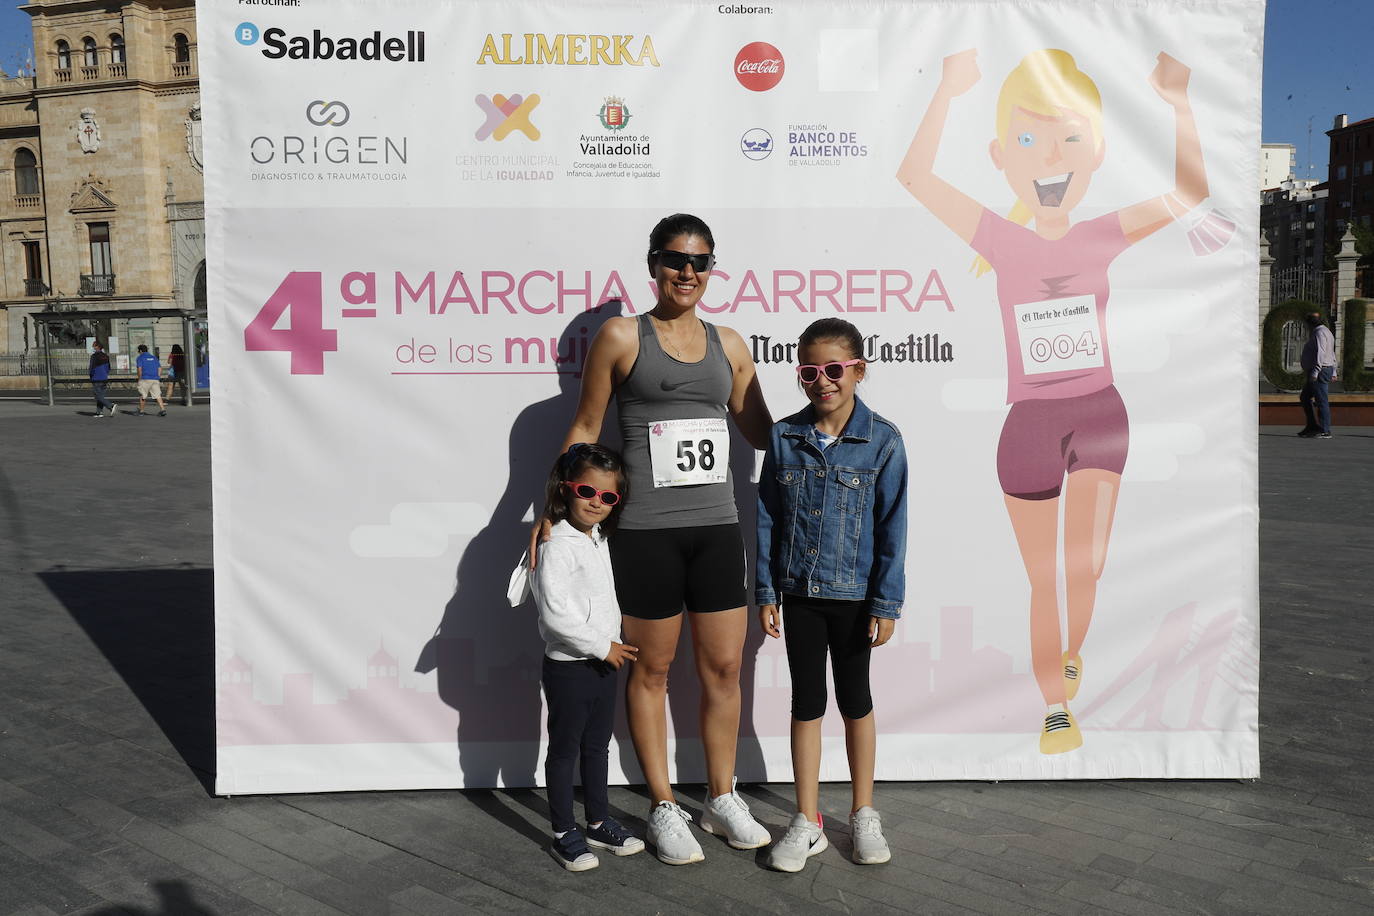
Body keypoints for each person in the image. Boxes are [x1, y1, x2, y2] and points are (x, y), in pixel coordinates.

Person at [896, 48, 1210, 753]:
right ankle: (1055, 705)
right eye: (1030, 141)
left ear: (1095, 151)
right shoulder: (1000, 239)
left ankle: (1070, 650)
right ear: (1001, 155)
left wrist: (1179, 102)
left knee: (1086, 567)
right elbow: (914, 176)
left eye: (1069, 138)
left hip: (1099, 415)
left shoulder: (1104, 234)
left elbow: (1189, 194)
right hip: (1030, 426)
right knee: (1044, 579)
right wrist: (946, 88)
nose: (1050, 159)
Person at [533, 213, 774, 865]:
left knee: (725, 669)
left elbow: (764, 432)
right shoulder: (620, 336)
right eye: (674, 259)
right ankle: (666, 804)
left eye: (700, 262)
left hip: (718, 530)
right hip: (644, 535)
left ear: (711, 270)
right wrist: (552, 511)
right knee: (654, 670)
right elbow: (585, 424)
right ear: (653, 264)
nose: (687, 273)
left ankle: (721, 797)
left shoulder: (731, 344)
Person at [756, 319, 908, 873]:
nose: (822, 381)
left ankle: (863, 812)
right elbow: (768, 518)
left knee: (856, 700)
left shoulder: (884, 440)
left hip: (855, 596)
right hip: (798, 594)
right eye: (809, 371)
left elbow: (894, 527)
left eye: (833, 370)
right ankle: (807, 819)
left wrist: (886, 603)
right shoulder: (783, 437)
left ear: (858, 370)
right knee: (806, 702)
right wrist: (766, 589)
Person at [533, 443, 645, 871]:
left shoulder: (597, 539)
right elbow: (555, 616)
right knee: (564, 750)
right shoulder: (556, 544)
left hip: (603, 664)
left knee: (597, 748)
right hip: (570, 667)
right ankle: (563, 833)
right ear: (565, 490)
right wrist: (603, 646)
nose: (597, 503)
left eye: (608, 497)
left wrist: (610, 645)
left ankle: (597, 821)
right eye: (587, 491)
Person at [1298, 311, 1337, 438]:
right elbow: (1331, 352)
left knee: (1321, 401)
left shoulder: (1319, 333)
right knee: (1305, 397)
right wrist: (1334, 370)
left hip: (1319, 371)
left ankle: (1325, 430)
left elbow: (1322, 352)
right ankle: (1312, 426)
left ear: (1310, 324)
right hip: (1323, 369)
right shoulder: (1326, 331)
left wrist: (1315, 371)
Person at [134, 344, 167, 416]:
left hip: (145, 378)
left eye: (138, 351)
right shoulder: (154, 357)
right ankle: (163, 409)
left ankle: (141, 411)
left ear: (140, 351)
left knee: (143, 395)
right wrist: (157, 377)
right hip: (155, 379)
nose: (138, 352)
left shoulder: (140, 358)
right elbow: (159, 368)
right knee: (158, 395)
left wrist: (139, 378)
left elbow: (139, 369)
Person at [88, 341, 116, 418]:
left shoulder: (94, 356)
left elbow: (91, 368)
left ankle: (110, 405)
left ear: (97, 347)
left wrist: (91, 376)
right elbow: (108, 368)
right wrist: (105, 374)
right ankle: (99, 412)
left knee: (97, 396)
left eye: (93, 346)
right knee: (101, 396)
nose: (93, 348)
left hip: (96, 378)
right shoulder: (106, 356)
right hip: (104, 378)